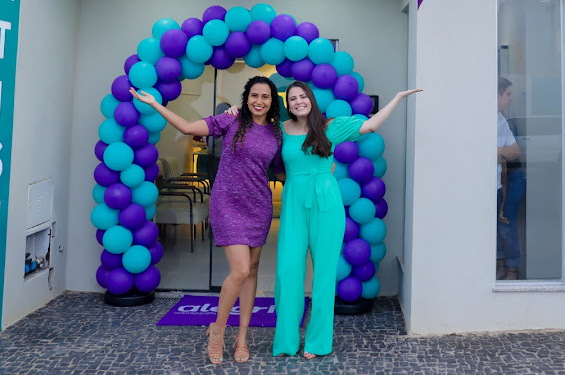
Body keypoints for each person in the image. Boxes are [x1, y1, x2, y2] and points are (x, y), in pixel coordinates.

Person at [229, 81, 421, 358]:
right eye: (292, 98)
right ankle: (286, 341)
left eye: (302, 96)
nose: (298, 102)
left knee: (323, 275)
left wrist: (398, 97)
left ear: (311, 99)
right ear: (287, 104)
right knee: (287, 272)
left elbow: (370, 125)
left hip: (326, 203)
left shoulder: (330, 126)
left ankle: (317, 342)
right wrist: (235, 112)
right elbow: (254, 135)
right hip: (294, 202)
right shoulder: (279, 130)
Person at [130, 76, 285, 365]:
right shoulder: (231, 120)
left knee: (252, 271)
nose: (259, 101)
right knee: (240, 270)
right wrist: (154, 104)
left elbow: (283, 173)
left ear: (272, 101)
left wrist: (320, 169)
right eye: (254, 95)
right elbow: (188, 128)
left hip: (258, 206)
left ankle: (242, 337)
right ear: (247, 97)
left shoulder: (276, 133)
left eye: (265, 96)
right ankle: (217, 331)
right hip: (228, 203)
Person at [496, 77, 521, 280]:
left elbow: (514, 152)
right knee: (494, 227)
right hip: (494, 182)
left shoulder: (501, 121)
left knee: (505, 225)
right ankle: (501, 266)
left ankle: (512, 270)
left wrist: (498, 152)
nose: (510, 99)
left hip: (504, 182)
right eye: (508, 94)